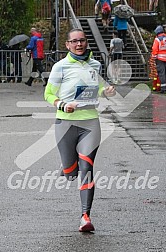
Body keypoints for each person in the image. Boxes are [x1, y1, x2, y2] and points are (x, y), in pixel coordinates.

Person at [44, 28, 115, 232]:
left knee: (87, 169)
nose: (79, 44)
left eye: (82, 40)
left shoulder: (95, 64)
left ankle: (85, 216)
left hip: (90, 122)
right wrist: (62, 105)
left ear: (86, 42)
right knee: (71, 172)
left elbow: (98, 86)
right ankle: (67, 165)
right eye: (74, 41)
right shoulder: (61, 67)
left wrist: (106, 90)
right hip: (65, 123)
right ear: (67, 45)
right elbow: (48, 94)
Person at [152, 25, 166, 93]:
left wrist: (154, 57)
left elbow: (155, 49)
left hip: (160, 59)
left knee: (161, 73)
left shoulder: (157, 39)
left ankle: (163, 88)